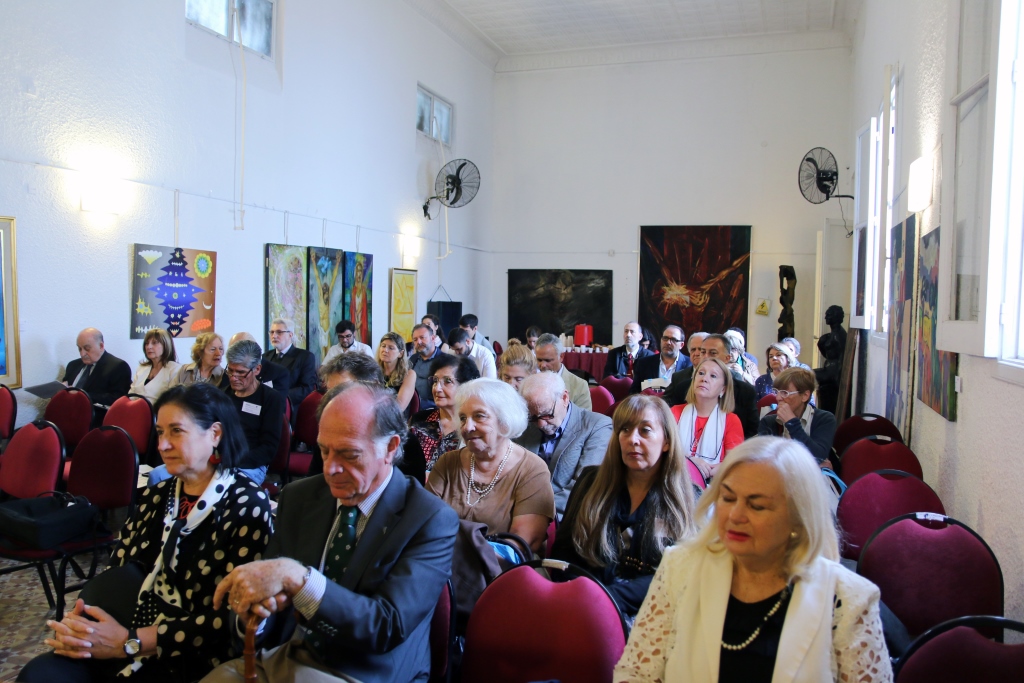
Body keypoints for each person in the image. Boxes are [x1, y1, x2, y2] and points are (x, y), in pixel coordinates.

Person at [203, 382, 459, 683]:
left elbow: (387, 626)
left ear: (390, 448)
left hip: (369, 671)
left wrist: (300, 579)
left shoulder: (430, 518)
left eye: (349, 454)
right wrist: (255, 615)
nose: (330, 469)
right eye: (324, 451)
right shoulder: (299, 497)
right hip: (289, 656)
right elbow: (271, 598)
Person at [19, 384, 273, 683]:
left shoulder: (246, 505)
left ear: (215, 434)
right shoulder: (158, 495)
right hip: (128, 626)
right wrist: (85, 626)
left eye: (176, 431)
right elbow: (118, 570)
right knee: (40, 674)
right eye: (160, 432)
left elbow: (235, 619)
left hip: (188, 651)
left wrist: (130, 641)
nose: (162, 445)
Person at [614, 437, 891, 682]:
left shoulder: (848, 599)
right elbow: (637, 673)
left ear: (798, 518)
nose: (735, 515)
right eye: (727, 498)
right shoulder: (680, 567)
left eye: (757, 505)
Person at [552, 395, 697, 617]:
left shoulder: (689, 499)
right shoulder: (590, 482)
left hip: (654, 614)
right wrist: (582, 599)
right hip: (582, 607)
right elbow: (564, 555)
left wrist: (607, 599)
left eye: (645, 430)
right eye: (625, 430)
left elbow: (681, 575)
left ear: (666, 441)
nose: (632, 439)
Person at [427, 379, 555, 553]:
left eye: (479, 416)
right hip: (438, 562)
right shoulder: (447, 462)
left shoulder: (532, 470)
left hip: (500, 568)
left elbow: (519, 546)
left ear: (505, 420)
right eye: (463, 418)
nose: (467, 427)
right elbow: (424, 521)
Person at [150, 340, 285, 487]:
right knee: (157, 475)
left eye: (240, 372)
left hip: (249, 464)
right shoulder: (222, 395)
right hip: (215, 459)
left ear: (257, 369)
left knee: (217, 484)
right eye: (230, 370)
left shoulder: (271, 399)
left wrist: (228, 461)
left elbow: (268, 448)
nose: (233, 377)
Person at [514, 371, 612, 518]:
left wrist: (534, 512)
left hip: (566, 517)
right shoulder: (526, 425)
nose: (540, 424)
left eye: (547, 414)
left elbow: (583, 488)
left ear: (565, 398)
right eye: (533, 417)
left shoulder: (597, 427)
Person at [664, 334, 759, 438]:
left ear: (727, 358)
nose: (706, 357)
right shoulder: (683, 388)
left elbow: (752, 432)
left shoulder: (745, 392)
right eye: (703, 352)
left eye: (713, 353)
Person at [307, 353, 385, 477]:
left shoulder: (401, 443)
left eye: (343, 392)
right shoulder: (329, 435)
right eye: (330, 393)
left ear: (373, 387)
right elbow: (315, 480)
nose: (333, 402)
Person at [405, 355, 480, 483]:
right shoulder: (419, 421)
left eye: (447, 381)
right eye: (435, 381)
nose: (437, 388)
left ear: (465, 386)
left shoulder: (472, 428)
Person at [678, 357, 745, 484]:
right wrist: (689, 462)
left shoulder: (731, 420)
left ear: (723, 389)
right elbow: (662, 451)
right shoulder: (674, 412)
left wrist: (721, 468)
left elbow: (735, 463)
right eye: (701, 373)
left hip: (714, 485)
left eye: (713, 376)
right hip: (675, 482)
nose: (704, 378)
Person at [758, 368, 837, 464]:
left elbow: (818, 455)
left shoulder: (825, 419)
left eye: (784, 393)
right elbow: (763, 460)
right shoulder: (768, 422)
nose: (778, 398)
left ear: (805, 396)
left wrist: (792, 422)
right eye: (776, 391)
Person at [62, 327, 132, 407]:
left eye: (87, 348)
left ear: (101, 346)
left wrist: (82, 394)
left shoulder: (118, 367)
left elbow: (118, 398)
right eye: (79, 349)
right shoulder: (72, 365)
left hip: (95, 413)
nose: (82, 354)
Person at [262, 318, 318, 412]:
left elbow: (306, 388)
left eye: (279, 332)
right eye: (271, 332)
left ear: (290, 335)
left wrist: (278, 396)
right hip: (266, 405)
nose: (274, 336)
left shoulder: (305, 357)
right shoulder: (266, 356)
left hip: (291, 407)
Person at [534, 333, 592, 410]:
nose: (543, 365)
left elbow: (583, 417)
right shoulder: (530, 382)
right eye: (539, 360)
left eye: (548, 360)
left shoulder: (580, 386)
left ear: (561, 357)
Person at [228, 332, 291, 401]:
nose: (233, 378)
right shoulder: (230, 371)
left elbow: (277, 402)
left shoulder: (279, 373)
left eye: (239, 352)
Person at [630, 325, 692, 394]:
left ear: (681, 345)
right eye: (665, 338)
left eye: (673, 339)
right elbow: (634, 393)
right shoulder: (643, 363)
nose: (668, 342)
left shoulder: (690, 365)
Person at [129, 328, 180, 401]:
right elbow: (131, 394)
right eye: (147, 343)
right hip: (135, 407)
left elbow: (172, 401)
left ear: (166, 345)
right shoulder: (142, 368)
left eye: (154, 343)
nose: (148, 347)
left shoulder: (175, 369)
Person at [376, 331, 416, 411]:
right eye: (383, 346)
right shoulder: (374, 370)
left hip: (395, 416)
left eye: (391, 348)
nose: (385, 350)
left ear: (400, 353)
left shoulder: (409, 374)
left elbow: (399, 407)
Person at [409, 323, 442, 410]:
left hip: (434, 410)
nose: (418, 342)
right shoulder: (413, 359)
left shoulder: (445, 361)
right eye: (415, 339)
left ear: (433, 338)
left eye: (422, 337)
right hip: (412, 408)